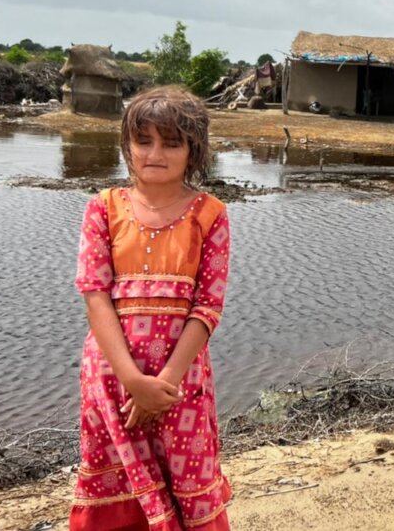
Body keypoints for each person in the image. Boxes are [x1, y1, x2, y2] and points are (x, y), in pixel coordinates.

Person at [70, 86, 232, 531]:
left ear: (193, 151)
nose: (155, 152)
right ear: (127, 147)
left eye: (171, 142)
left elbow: (207, 308)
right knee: (117, 484)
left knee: (185, 479)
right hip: (110, 378)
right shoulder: (102, 208)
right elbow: (95, 295)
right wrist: (131, 380)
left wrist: (163, 382)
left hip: (180, 383)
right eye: (144, 141)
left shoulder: (210, 214)